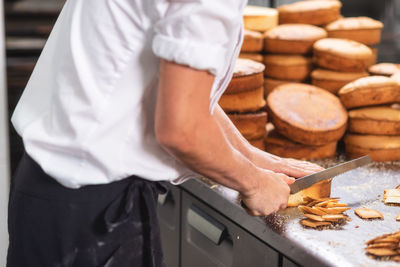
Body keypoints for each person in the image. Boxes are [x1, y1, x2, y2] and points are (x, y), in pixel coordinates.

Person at [7, 0, 323, 266]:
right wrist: (254, 183)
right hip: (92, 219)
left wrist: (249, 156)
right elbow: (182, 129)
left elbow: (174, 91)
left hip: (54, 197)